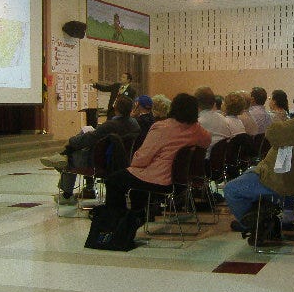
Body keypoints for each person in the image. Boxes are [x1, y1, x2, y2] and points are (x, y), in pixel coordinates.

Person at [224, 84, 294, 231]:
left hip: (286, 178)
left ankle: (255, 224)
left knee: (231, 189)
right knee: (251, 171)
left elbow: (272, 134)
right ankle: (281, 216)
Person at [104, 93, 211, 221]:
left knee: (113, 180)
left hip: (158, 179)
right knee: (134, 182)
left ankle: (117, 220)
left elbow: (142, 158)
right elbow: (206, 142)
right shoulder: (197, 130)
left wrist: (133, 162)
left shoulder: (162, 127)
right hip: (181, 180)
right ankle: (138, 216)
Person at [40, 95, 140, 204]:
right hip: (124, 161)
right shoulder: (134, 124)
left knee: (69, 158)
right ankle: (85, 185)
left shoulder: (110, 125)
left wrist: (71, 141)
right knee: (82, 140)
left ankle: (67, 195)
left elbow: (89, 139)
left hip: (101, 163)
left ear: (115, 109)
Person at [195, 86, 232, 158]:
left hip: (204, 161)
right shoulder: (223, 119)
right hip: (221, 160)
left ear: (196, 103)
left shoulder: (198, 123)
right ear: (213, 102)